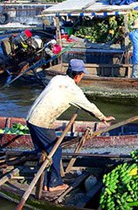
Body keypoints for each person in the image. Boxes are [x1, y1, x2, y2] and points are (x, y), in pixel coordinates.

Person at [26, 59, 115, 192]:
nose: (82, 77)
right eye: (82, 75)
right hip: (41, 122)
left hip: (30, 118)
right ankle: (53, 184)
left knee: (42, 152)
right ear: (77, 75)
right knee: (55, 151)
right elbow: (89, 106)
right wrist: (102, 118)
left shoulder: (57, 78)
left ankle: (44, 182)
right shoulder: (73, 90)